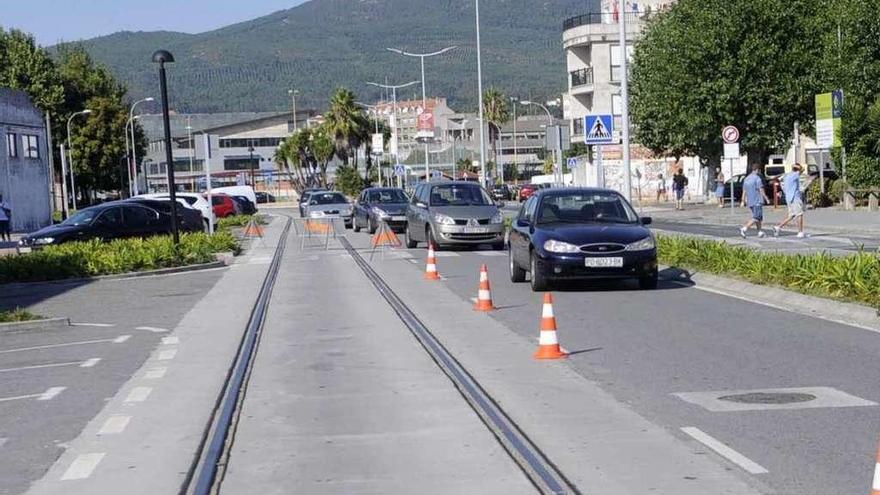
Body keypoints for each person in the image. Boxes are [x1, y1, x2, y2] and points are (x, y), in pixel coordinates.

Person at [773, 163, 805, 238]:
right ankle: (800, 232)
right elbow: (802, 169)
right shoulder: (795, 175)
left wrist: (794, 166)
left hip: (788, 198)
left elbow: (777, 178)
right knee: (799, 214)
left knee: (791, 215)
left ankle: (778, 227)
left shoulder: (787, 175)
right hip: (795, 197)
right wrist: (798, 166)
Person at [739, 164, 770, 238]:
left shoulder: (746, 179)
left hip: (750, 201)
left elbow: (744, 191)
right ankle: (744, 228)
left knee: (758, 217)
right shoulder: (757, 178)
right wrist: (766, 198)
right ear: (757, 170)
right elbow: (761, 189)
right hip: (757, 200)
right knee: (756, 217)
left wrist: (743, 200)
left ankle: (759, 231)